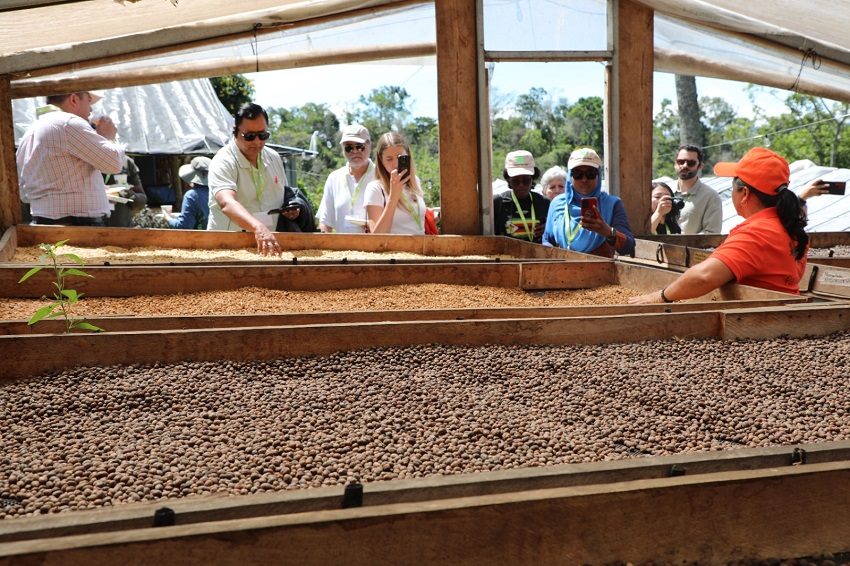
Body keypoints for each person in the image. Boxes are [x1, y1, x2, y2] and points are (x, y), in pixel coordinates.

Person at [630, 147, 808, 304]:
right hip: (781, 315)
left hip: (758, 321)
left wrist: (661, 296)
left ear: (744, 193)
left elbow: (704, 276)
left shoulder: (756, 233)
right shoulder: (790, 227)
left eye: (733, 187)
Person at [16, 90, 125, 226]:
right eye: (88, 100)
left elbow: (24, 191)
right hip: (77, 225)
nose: (90, 109)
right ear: (73, 99)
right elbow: (114, 164)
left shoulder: (31, 130)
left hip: (43, 220)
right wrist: (108, 137)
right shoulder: (69, 123)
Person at [207, 102, 287, 256]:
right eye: (249, 136)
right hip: (228, 249)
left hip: (267, 246)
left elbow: (285, 194)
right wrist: (258, 227)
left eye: (263, 135)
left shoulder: (274, 158)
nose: (257, 142)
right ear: (235, 132)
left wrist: (292, 208)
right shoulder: (223, 161)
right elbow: (226, 203)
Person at [541, 147, 634, 257]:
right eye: (578, 174)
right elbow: (547, 239)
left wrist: (608, 231)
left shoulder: (612, 204)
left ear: (598, 176)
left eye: (590, 173)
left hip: (600, 271)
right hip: (563, 270)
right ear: (570, 177)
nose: (584, 179)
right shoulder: (557, 203)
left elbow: (629, 247)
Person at [317, 124, 375, 233]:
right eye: (349, 147)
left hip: (376, 248)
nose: (354, 151)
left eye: (359, 146)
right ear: (342, 150)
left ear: (369, 146)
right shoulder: (334, 178)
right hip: (343, 249)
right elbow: (325, 223)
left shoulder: (382, 176)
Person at [364, 132, 425, 234]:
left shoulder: (416, 181)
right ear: (381, 161)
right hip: (395, 249)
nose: (396, 164)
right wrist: (393, 197)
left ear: (408, 155)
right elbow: (377, 237)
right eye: (389, 159)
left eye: (400, 158)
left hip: (421, 247)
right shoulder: (375, 188)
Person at [493, 150, 549, 243]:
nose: (521, 185)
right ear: (508, 179)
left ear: (533, 178)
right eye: (515, 180)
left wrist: (547, 230)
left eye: (526, 180)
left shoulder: (544, 203)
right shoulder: (497, 203)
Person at [673, 144, 722, 234]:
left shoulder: (710, 197)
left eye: (691, 163)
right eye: (681, 161)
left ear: (700, 166)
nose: (685, 165)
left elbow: (711, 233)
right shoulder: (664, 192)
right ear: (675, 164)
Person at [163, 156, 211, 230]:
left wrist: (168, 219)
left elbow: (184, 226)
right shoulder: (220, 193)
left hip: (200, 240)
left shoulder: (192, 195)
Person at [105, 155, 147, 227]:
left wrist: (126, 193)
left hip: (122, 230)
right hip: (93, 228)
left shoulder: (125, 162)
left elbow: (142, 201)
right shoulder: (87, 160)